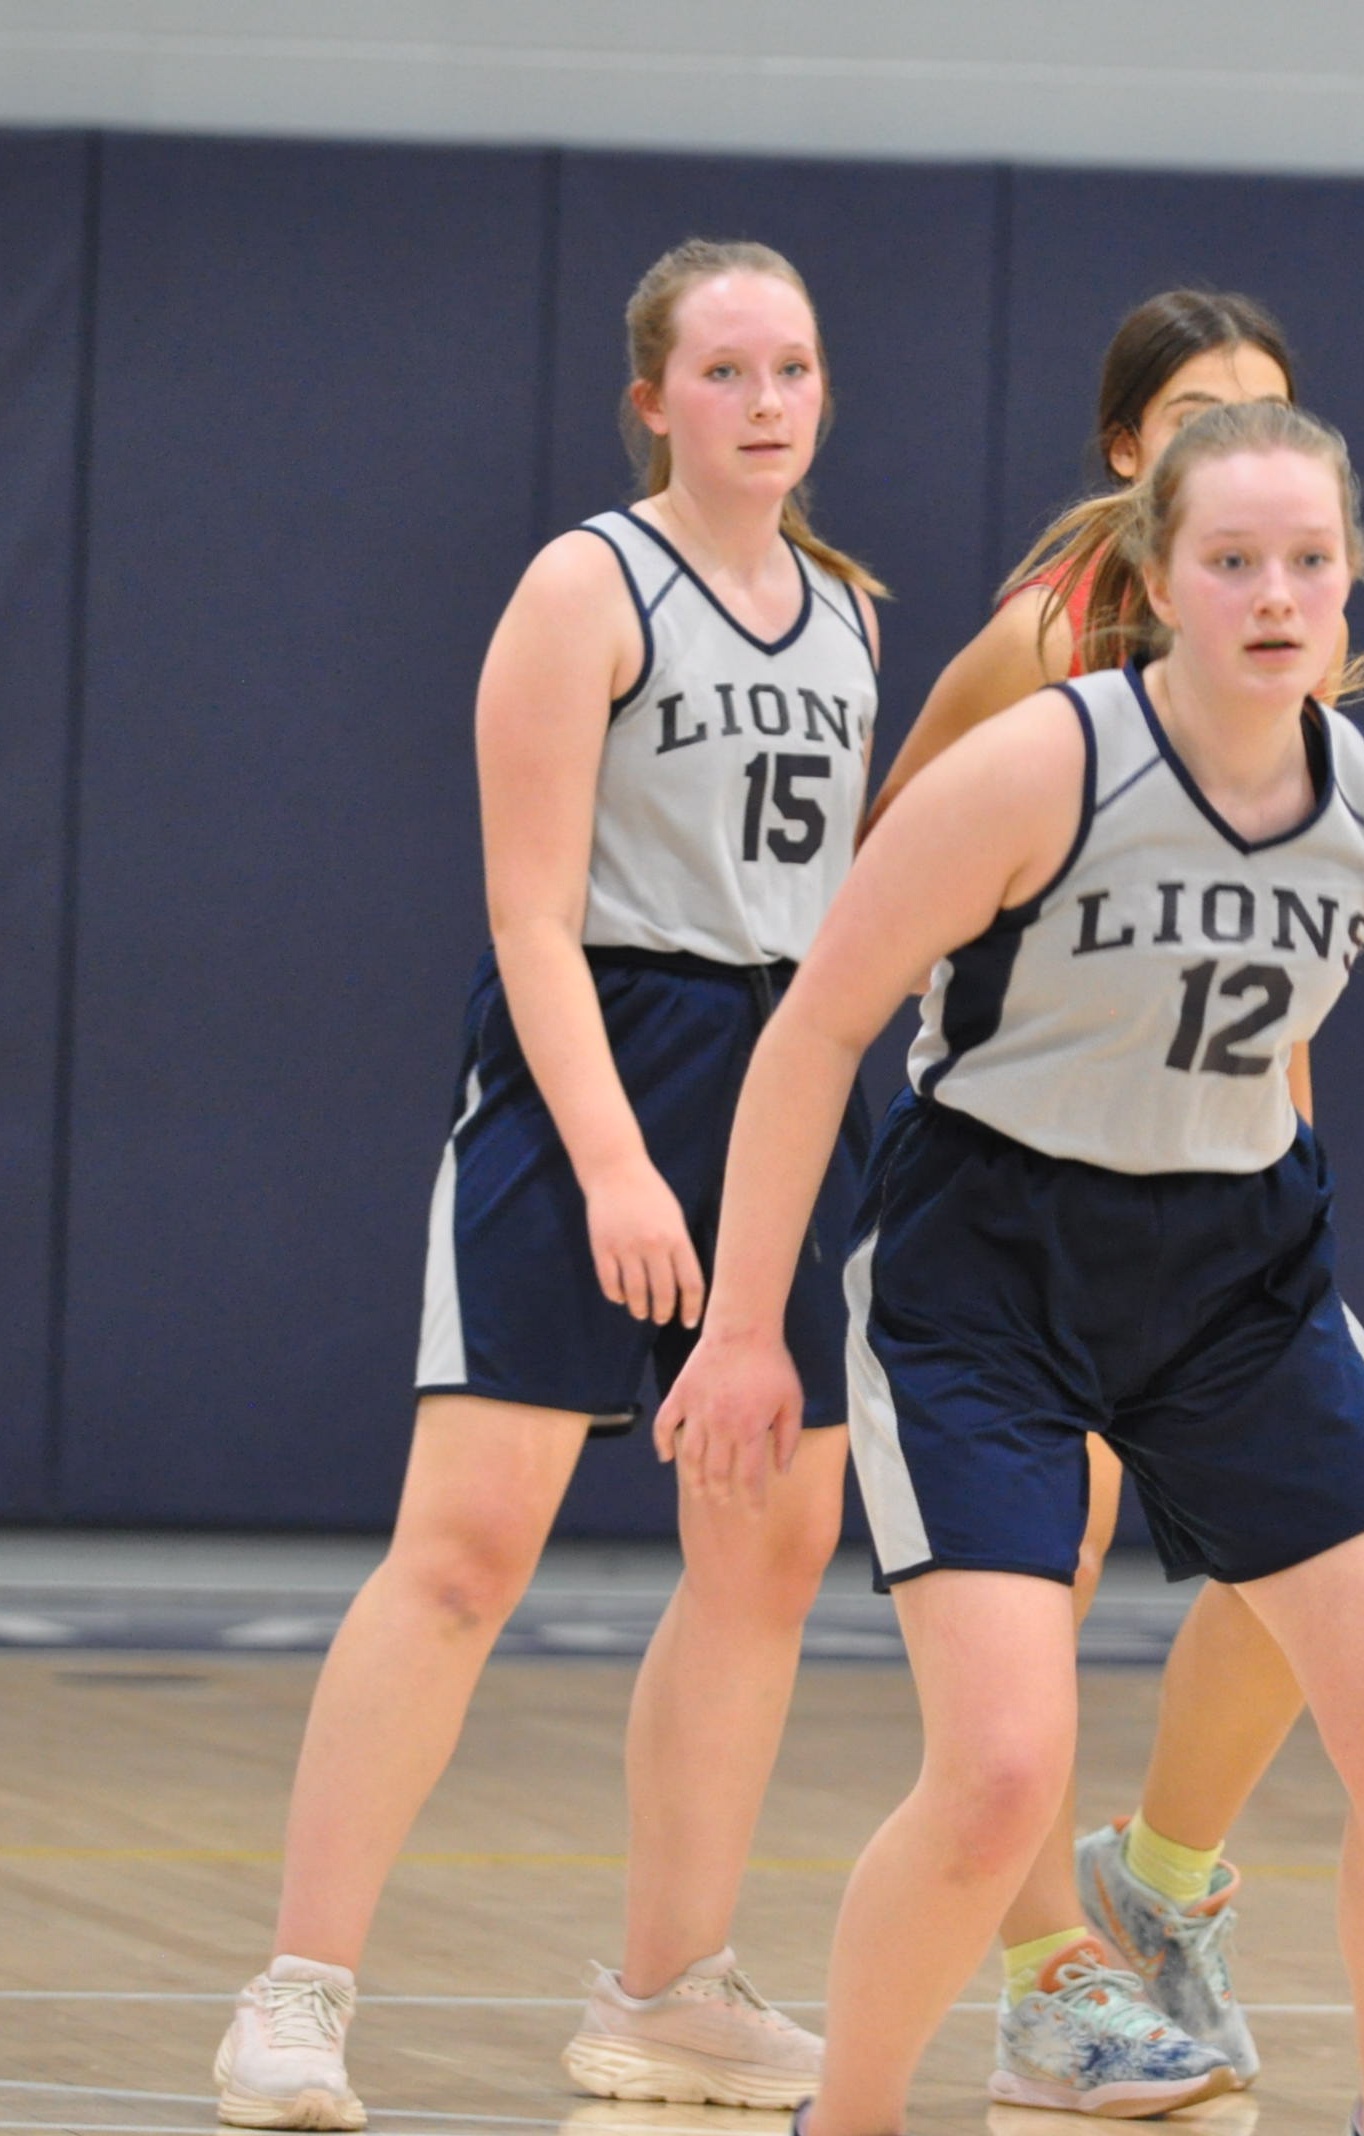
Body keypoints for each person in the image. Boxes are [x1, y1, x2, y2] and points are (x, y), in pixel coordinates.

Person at [654, 399, 1364, 2133]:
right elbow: (818, 1030)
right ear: (1159, 573)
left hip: (1240, 1282)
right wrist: (741, 1326)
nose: (1276, 592)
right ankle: (844, 2118)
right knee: (998, 1776)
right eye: (1233, 558)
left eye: (1310, 559)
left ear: (1353, 575)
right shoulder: (1043, 766)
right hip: (986, 1272)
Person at [213, 238, 879, 2127]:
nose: (768, 401)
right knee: (467, 1549)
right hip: (597, 1060)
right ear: (654, 397)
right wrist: (609, 1158)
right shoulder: (587, 583)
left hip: (784, 1087)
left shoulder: (844, 611)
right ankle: (296, 1987)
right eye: (730, 370)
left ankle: (670, 1988)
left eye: (797, 369)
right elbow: (526, 906)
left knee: (766, 1548)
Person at [872, 287, 1324, 2098]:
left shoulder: (1286, 626)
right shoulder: (1036, 649)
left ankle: (1158, 1880)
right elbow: (888, 892)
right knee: (1034, 1574)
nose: (1239, 441)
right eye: (1203, 413)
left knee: (1311, 1566)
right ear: (1132, 449)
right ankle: (1048, 1974)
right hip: (1024, 1179)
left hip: (1228, 1176)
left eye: (1270, 412)